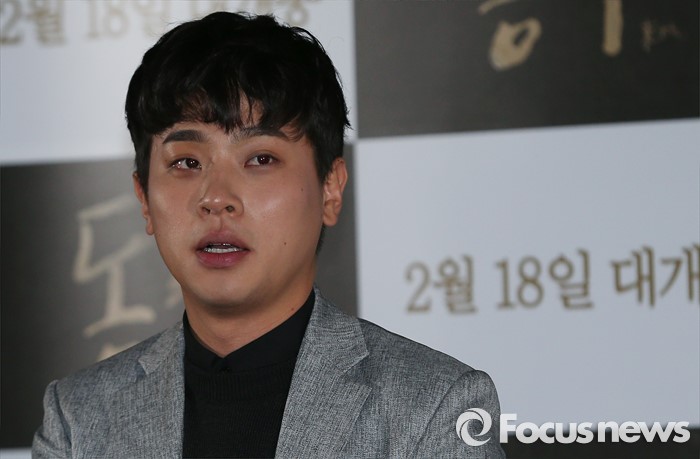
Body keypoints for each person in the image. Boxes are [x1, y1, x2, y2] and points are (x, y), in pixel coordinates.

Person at [33, 11, 505, 458]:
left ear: (330, 189)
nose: (216, 197)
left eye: (260, 159)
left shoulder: (434, 408)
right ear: (144, 198)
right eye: (187, 162)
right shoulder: (78, 419)